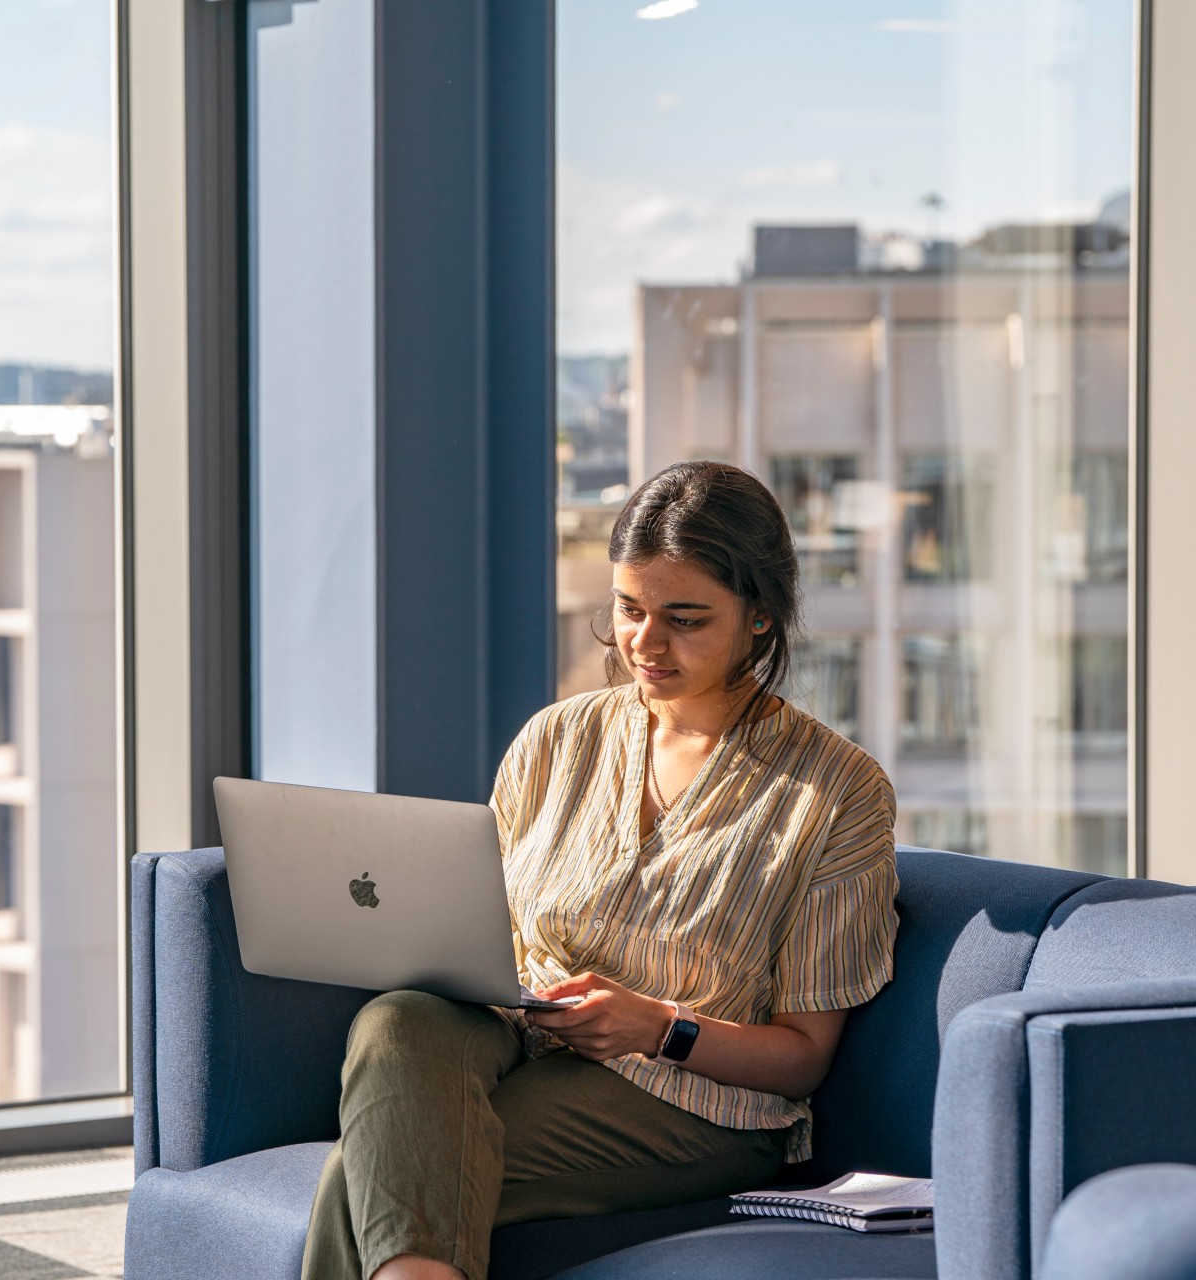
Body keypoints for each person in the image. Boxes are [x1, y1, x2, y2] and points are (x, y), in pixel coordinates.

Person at [300, 460, 899, 1280]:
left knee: (369, 1171)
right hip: (520, 1040)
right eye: (628, 609)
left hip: (692, 1102)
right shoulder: (557, 738)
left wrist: (659, 1025)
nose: (645, 644)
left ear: (759, 617)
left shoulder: (837, 793)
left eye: (685, 618)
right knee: (398, 1020)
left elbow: (802, 1056)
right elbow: (491, 927)